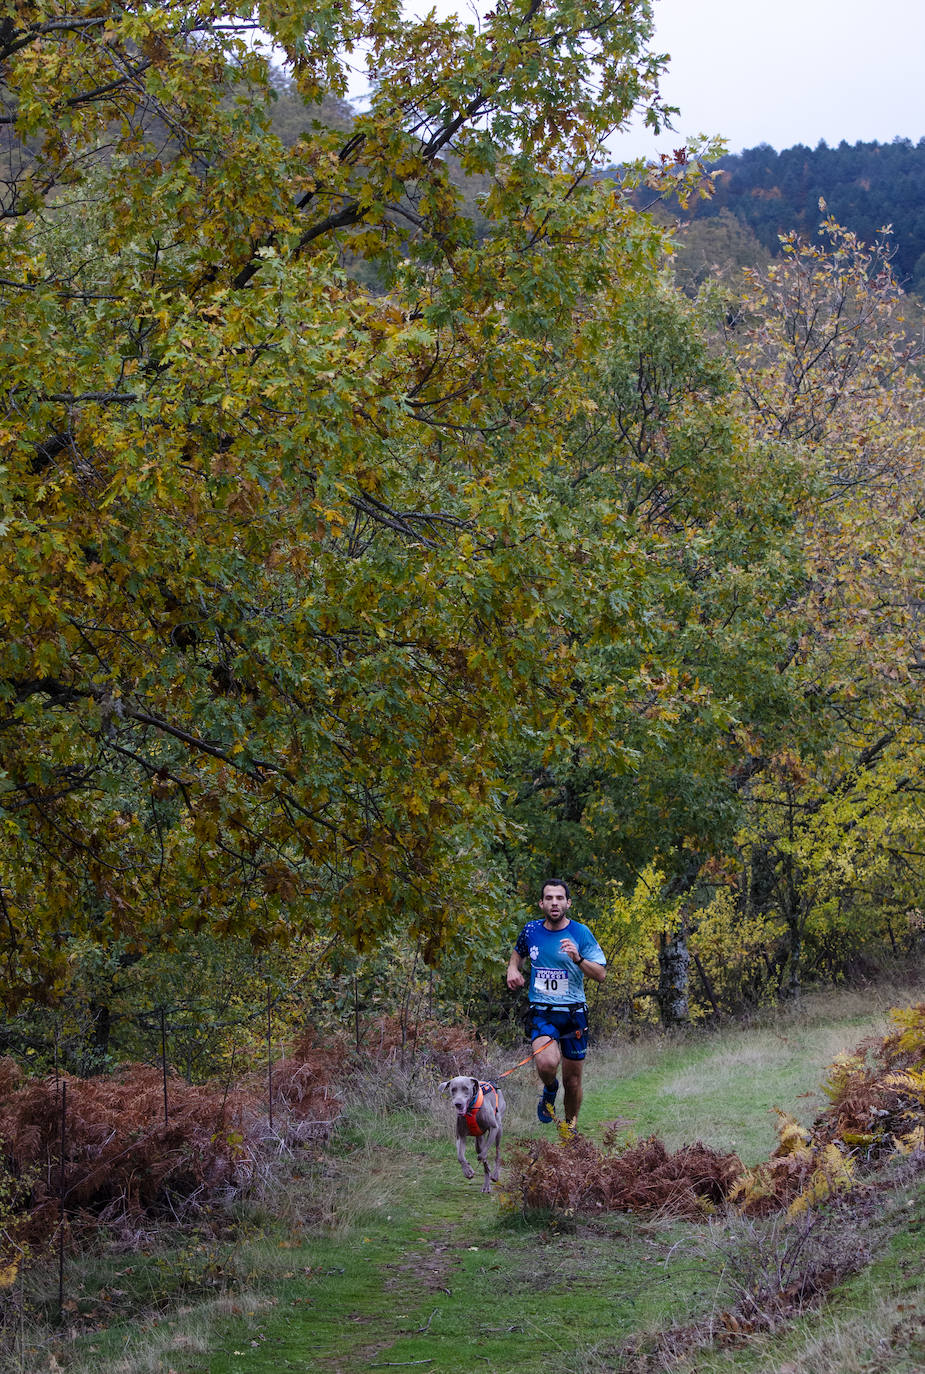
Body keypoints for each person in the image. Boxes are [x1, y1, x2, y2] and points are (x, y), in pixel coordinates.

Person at [506, 878, 607, 1126]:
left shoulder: (580, 933)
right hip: (542, 1012)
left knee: (573, 1083)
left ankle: (569, 1130)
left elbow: (601, 974)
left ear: (568, 903)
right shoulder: (531, 931)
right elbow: (518, 952)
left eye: (559, 898)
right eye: (549, 898)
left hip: (574, 1014)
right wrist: (512, 969)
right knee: (547, 1062)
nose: (554, 902)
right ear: (541, 903)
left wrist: (578, 958)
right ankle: (550, 1089)